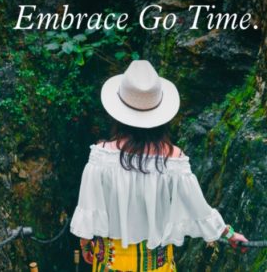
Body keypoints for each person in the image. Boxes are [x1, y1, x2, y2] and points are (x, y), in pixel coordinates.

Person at [70, 60, 248, 271]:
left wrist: (84, 244)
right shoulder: (174, 159)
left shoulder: (100, 157)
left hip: (109, 263)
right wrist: (228, 234)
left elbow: (89, 208)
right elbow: (199, 209)